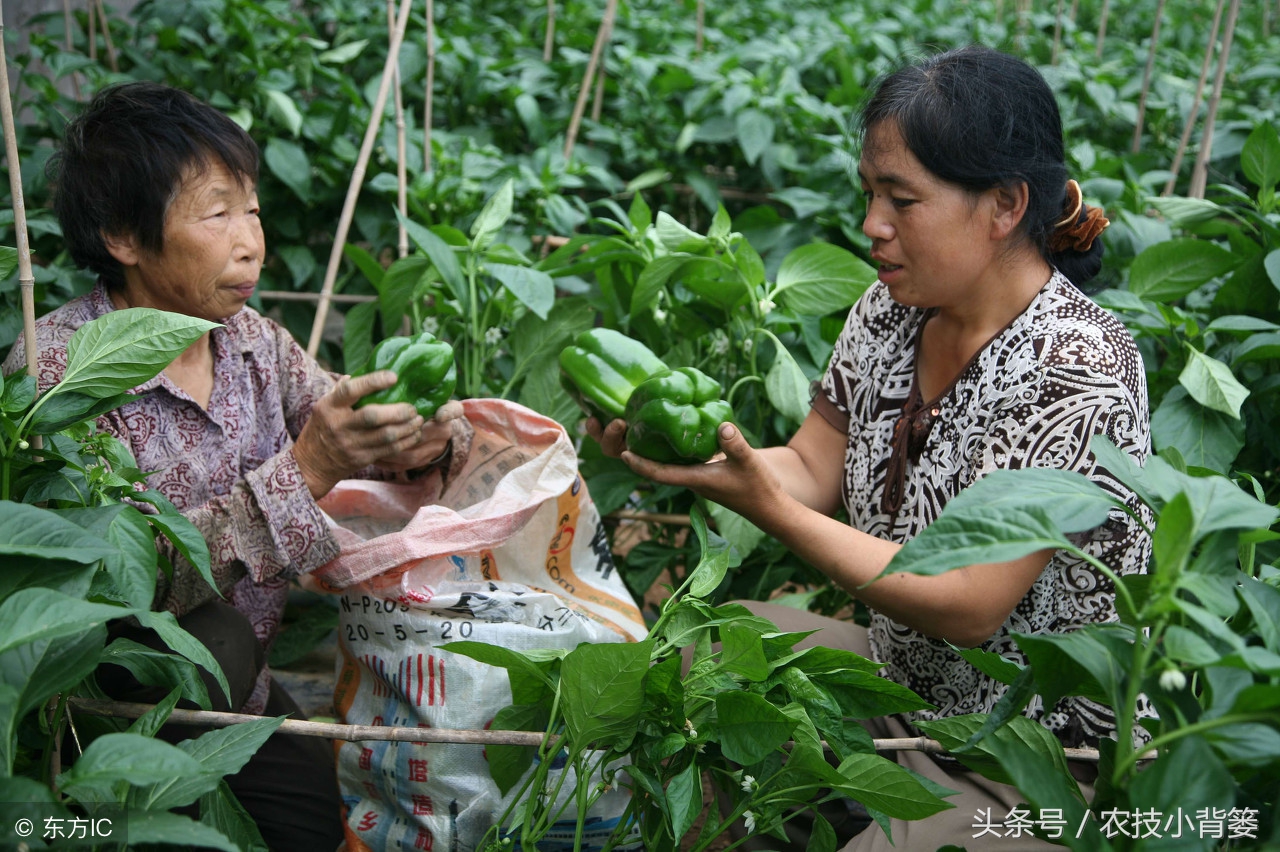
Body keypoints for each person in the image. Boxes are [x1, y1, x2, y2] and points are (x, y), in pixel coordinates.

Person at [590, 45, 1151, 851]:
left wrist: (773, 512)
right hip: (901, 690)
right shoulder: (892, 310)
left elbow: (967, 601)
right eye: (870, 195)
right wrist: (721, 468)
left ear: (1003, 205)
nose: (872, 228)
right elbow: (813, 467)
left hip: (1034, 755)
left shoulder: (1078, 367)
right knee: (709, 657)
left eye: (902, 200)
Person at [2, 82, 469, 851]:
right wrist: (309, 466)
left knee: (318, 823)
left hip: (236, 693)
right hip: (105, 708)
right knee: (196, 656)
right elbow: (116, 585)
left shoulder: (251, 341)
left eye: (250, 208)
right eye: (216, 213)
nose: (250, 239)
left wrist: (413, 438)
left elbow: (336, 417)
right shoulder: (61, 373)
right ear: (123, 234)